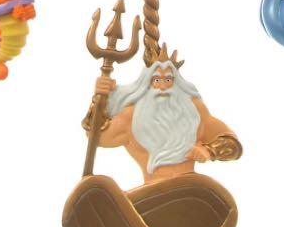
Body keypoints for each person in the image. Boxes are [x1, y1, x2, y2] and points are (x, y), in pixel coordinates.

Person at [88, 48, 242, 185]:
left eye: (168, 80)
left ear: (177, 83)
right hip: (152, 193)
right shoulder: (131, 117)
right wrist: (100, 101)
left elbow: (232, 145)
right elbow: (97, 138)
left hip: (192, 189)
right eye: (157, 80)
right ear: (147, 83)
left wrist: (210, 151)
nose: (162, 87)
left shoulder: (194, 114)